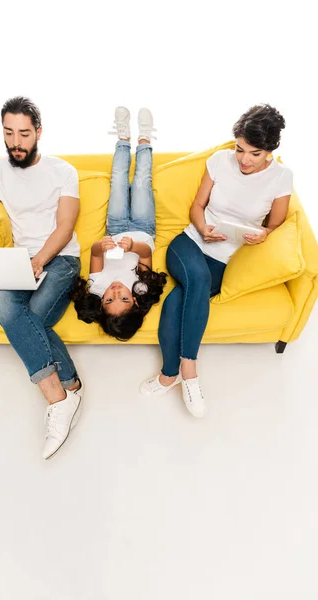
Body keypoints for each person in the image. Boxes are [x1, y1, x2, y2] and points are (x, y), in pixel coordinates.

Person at [140, 104, 293, 417]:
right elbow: (198, 206)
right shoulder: (219, 161)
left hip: (224, 260)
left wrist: (262, 235)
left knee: (178, 299)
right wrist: (202, 228)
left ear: (270, 150)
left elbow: (274, 224)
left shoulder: (281, 177)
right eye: (240, 149)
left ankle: (169, 376)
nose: (244, 159)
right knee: (196, 279)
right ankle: (190, 371)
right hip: (190, 244)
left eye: (255, 153)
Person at [0, 96, 83, 459]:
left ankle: (68, 388)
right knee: (2, 301)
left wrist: (40, 260)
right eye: (9, 133)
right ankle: (63, 395)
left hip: (60, 258)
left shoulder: (63, 171)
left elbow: (65, 226)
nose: (16, 142)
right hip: (17, 259)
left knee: (32, 317)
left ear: (38, 132)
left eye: (24, 134)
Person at [72, 106, 166, 341]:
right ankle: (144, 138)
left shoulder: (97, 286)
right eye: (123, 298)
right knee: (142, 182)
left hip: (114, 227)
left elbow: (94, 255)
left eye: (109, 299)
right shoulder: (140, 287)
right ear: (134, 301)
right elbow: (145, 255)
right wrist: (133, 246)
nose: (115, 292)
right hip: (143, 228)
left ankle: (123, 138)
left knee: (118, 182)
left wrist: (99, 246)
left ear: (101, 303)